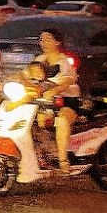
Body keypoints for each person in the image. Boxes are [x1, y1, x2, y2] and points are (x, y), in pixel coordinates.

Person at [35, 27, 81, 172]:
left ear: (57, 42)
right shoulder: (39, 60)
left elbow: (67, 80)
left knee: (61, 121)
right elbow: (26, 75)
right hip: (44, 102)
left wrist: (55, 90)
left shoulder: (64, 61)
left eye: (47, 39)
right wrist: (6, 83)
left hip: (66, 101)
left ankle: (63, 161)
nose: (43, 43)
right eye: (41, 39)